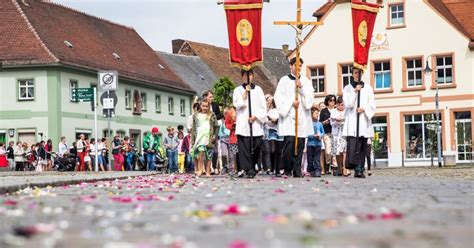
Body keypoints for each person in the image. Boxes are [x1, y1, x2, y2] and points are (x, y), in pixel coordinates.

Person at [274, 57, 314, 178]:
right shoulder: (283, 81)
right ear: (290, 66)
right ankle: (287, 168)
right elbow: (278, 98)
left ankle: (297, 169)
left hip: (301, 118)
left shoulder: (306, 81)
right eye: (295, 65)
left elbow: (309, 101)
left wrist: (301, 88)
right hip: (289, 118)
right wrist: (292, 102)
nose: (298, 68)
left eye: (300, 66)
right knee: (289, 145)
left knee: (300, 145)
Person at [233, 69, 267, 179]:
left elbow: (263, 107)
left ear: (253, 76)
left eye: (250, 75)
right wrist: (245, 93)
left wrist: (256, 116)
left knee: (256, 146)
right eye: (246, 75)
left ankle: (253, 165)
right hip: (243, 124)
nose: (248, 77)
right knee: (245, 148)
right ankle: (248, 169)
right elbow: (237, 104)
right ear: (242, 76)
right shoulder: (238, 90)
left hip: (255, 124)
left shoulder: (258, 90)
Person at [343, 67, 376, 178]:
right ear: (352, 74)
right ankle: (354, 167)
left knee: (362, 147)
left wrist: (364, 109)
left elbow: (372, 104)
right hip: (352, 122)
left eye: (359, 73)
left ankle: (360, 169)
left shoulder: (368, 88)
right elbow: (348, 103)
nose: (358, 75)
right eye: (356, 73)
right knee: (353, 147)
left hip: (363, 122)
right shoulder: (347, 88)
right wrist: (355, 91)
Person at [191, 99, 218, 177]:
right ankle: (200, 169)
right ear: (200, 106)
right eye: (203, 106)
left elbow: (216, 126)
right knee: (200, 154)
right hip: (200, 137)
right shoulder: (196, 115)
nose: (205, 108)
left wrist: (214, 136)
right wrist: (193, 137)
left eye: (206, 106)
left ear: (209, 107)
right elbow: (194, 127)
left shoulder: (211, 115)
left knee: (209, 156)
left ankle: (208, 171)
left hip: (209, 137)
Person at [266, 95, 283, 177]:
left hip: (281, 131)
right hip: (272, 131)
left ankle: (277, 170)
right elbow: (267, 122)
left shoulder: (282, 110)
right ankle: (272, 167)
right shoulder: (271, 111)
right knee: (273, 150)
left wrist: (277, 120)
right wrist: (271, 120)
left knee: (279, 151)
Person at [330, 96, 348, 176]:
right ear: (337, 104)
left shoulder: (347, 111)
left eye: (342, 105)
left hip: (344, 133)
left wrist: (342, 119)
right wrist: (337, 121)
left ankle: (345, 168)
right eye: (339, 105)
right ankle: (339, 168)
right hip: (336, 134)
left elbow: (348, 121)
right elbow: (332, 123)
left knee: (344, 151)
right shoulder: (333, 111)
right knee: (337, 152)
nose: (341, 106)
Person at [320, 95, 336, 175]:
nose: (332, 101)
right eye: (330, 100)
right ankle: (327, 165)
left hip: (336, 132)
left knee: (336, 151)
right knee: (328, 150)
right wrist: (324, 122)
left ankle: (335, 167)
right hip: (327, 132)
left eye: (333, 100)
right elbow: (320, 123)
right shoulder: (324, 111)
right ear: (327, 101)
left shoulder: (336, 110)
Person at [307, 109, 324, 177]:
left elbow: (323, 132)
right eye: (316, 113)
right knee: (310, 159)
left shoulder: (319, 123)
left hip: (318, 144)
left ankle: (317, 171)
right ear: (311, 115)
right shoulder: (309, 124)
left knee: (317, 159)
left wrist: (320, 136)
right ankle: (311, 170)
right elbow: (307, 134)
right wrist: (313, 136)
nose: (317, 115)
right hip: (310, 144)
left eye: (318, 114)